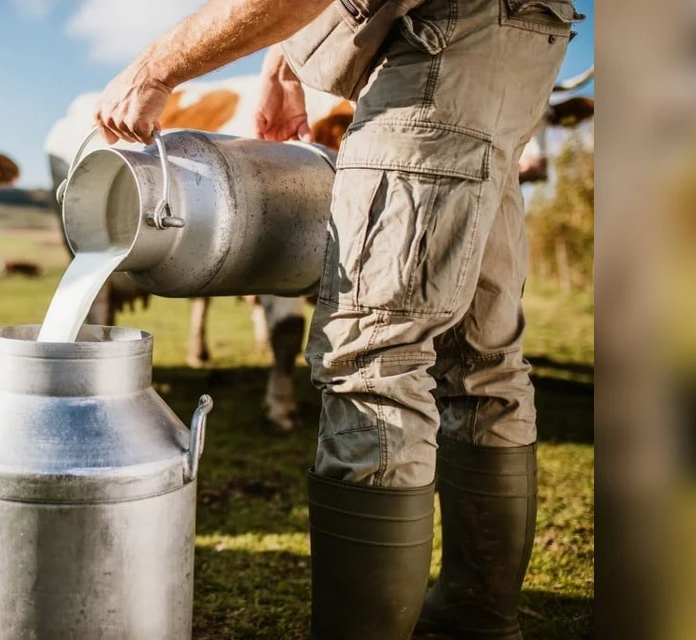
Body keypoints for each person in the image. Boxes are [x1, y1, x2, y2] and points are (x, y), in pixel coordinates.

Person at [91, 0, 575, 637]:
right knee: (479, 357)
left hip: (434, 49)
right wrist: (282, 67)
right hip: (510, 43)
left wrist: (154, 68)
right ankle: (474, 620)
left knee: (372, 358)